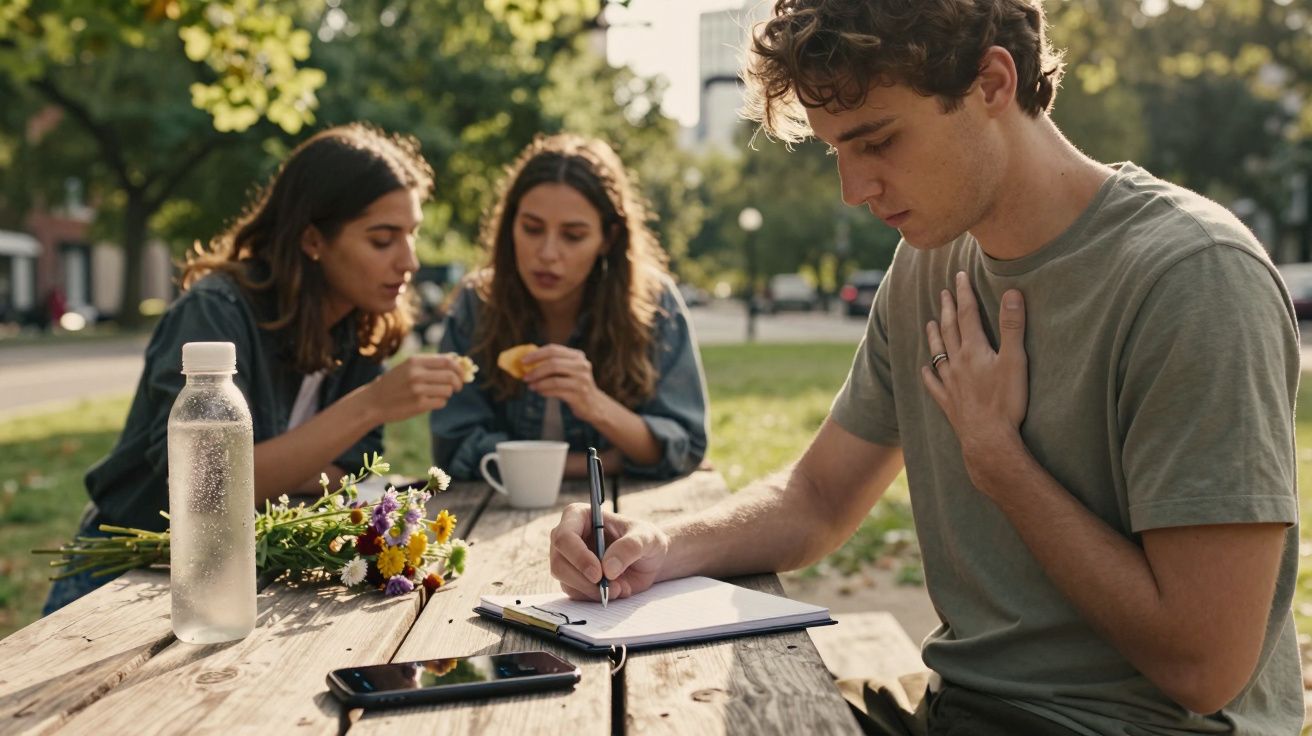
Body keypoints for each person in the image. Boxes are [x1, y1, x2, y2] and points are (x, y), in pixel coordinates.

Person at [547, 1, 1300, 734]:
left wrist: (1000, 459)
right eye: (834, 148)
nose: (853, 189)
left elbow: (1206, 666)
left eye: (876, 141)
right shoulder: (928, 264)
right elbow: (816, 497)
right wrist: (661, 543)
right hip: (958, 708)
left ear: (993, 84)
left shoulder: (1195, 279)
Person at [44, 123, 469, 614]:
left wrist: (275, 469)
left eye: (412, 235)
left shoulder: (364, 326)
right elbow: (205, 487)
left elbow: (347, 475)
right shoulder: (216, 312)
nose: (410, 261)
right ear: (313, 239)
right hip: (130, 577)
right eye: (382, 240)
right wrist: (369, 406)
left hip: (244, 576)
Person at [431, 133, 708, 481]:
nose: (547, 253)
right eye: (531, 229)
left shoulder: (654, 304)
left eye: (573, 236)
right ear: (510, 225)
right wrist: (602, 463)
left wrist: (594, 404)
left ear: (607, 239)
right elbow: (454, 448)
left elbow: (685, 446)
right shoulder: (477, 303)